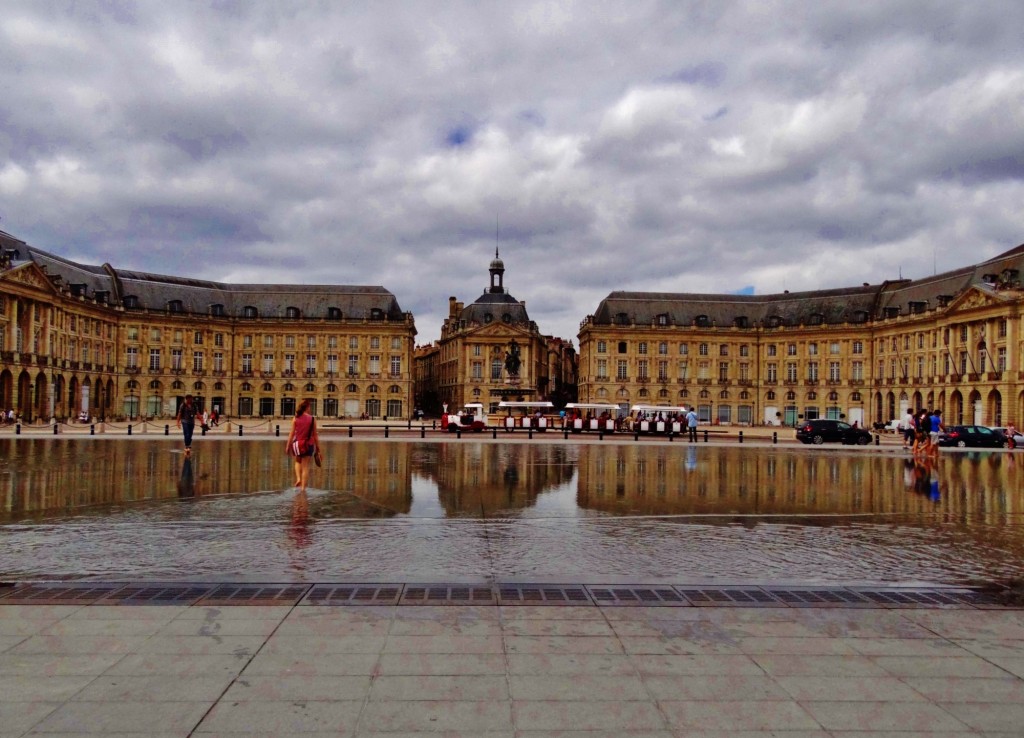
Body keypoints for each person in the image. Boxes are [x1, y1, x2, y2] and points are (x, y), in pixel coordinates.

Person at [286, 399, 320, 493]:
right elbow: (315, 435)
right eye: (309, 407)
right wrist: (318, 447)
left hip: (297, 443)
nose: (310, 409)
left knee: (297, 461)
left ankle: (298, 479)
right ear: (307, 407)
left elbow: (291, 433)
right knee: (305, 467)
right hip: (308, 444)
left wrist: (288, 446)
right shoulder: (312, 419)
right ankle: (303, 489)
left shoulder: (295, 418)